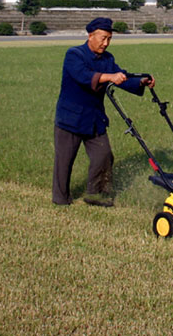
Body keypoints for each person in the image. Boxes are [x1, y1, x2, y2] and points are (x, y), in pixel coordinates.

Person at [52, 17, 154, 206]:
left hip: (94, 119)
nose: (105, 43)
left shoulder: (108, 59)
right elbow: (84, 76)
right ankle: (61, 199)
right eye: (103, 38)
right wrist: (109, 77)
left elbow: (120, 76)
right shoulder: (74, 54)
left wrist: (141, 82)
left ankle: (95, 194)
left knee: (104, 155)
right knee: (64, 162)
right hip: (70, 118)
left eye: (109, 39)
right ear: (90, 35)